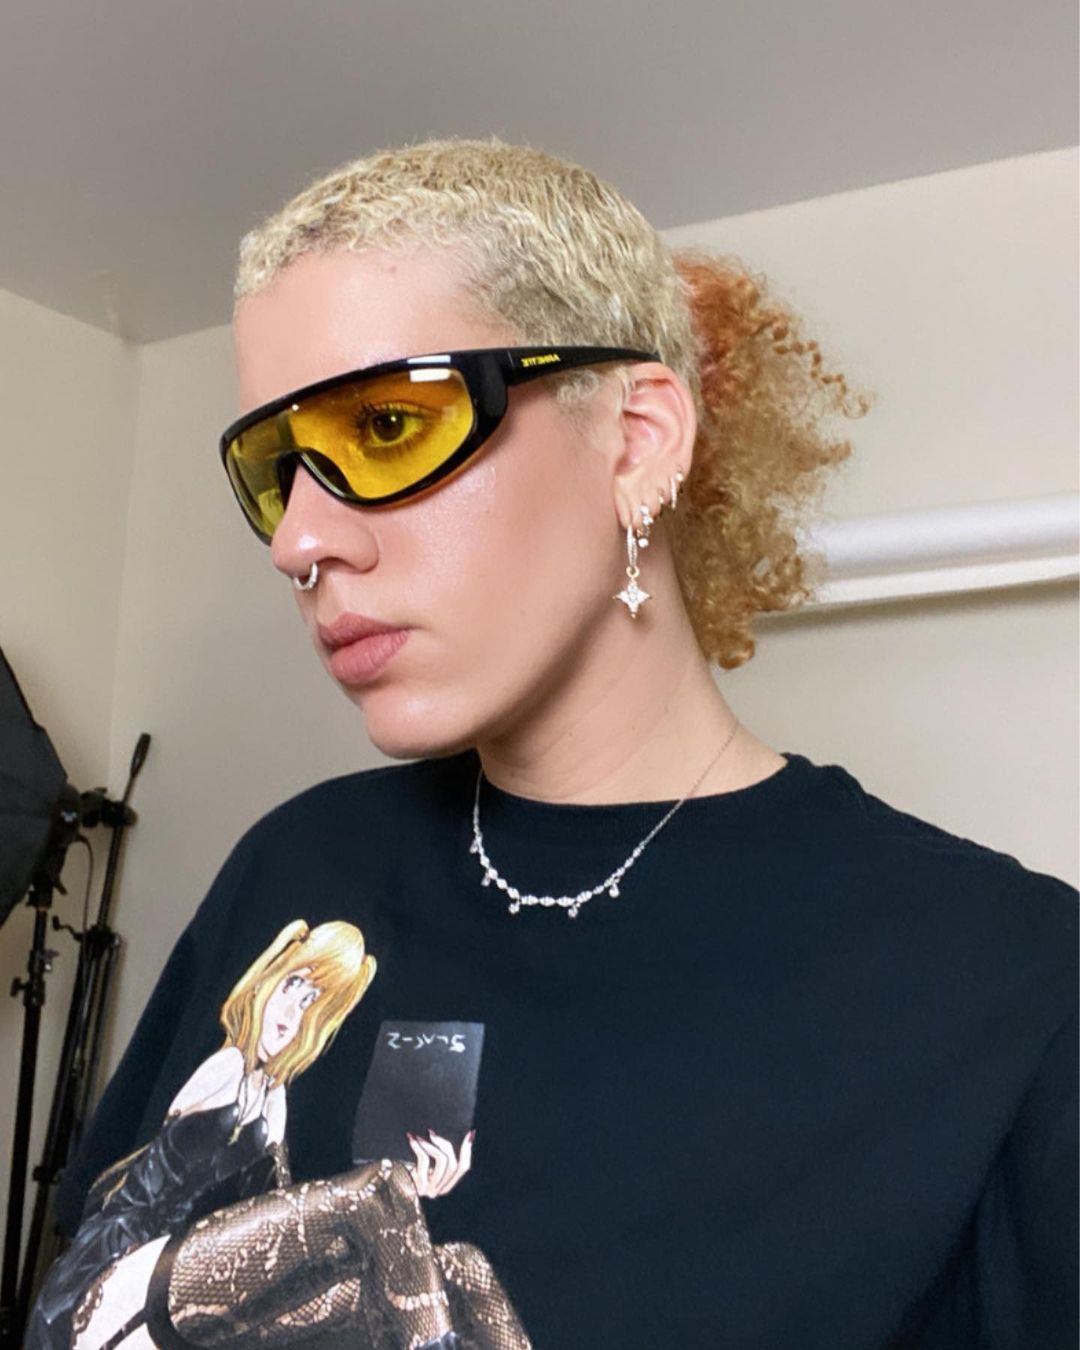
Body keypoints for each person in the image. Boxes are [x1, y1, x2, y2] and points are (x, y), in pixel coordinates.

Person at [44, 137, 1076, 1348]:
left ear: (635, 441)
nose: (299, 542)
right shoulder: (295, 864)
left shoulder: (1009, 983)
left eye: (388, 424)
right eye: (278, 470)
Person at [29, 920, 525, 1349]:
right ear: (268, 977)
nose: (293, 1016)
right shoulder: (226, 1068)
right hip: (119, 1286)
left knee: (463, 1267)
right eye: (292, 985)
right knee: (379, 1186)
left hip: (198, 1291)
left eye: (311, 1002)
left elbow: (292, 1222)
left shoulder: (272, 1096)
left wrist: (408, 1198)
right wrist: (391, 1193)